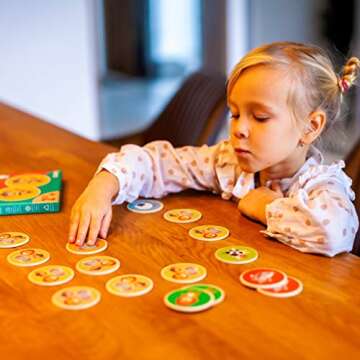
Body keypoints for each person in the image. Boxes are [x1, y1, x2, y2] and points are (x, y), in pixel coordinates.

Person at [69, 41, 359, 257]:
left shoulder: (323, 185)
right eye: (234, 114)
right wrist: (104, 186)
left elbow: (334, 233)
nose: (239, 129)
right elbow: (155, 161)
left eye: (259, 117)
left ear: (311, 127)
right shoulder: (226, 163)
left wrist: (265, 206)